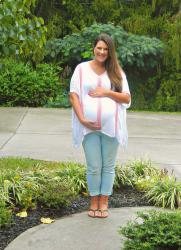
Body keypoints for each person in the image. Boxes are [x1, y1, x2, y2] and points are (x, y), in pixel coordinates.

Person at [69, 33, 131, 218]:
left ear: (110, 52)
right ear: (93, 48)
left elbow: (127, 98)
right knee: (94, 166)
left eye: (106, 49)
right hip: (88, 128)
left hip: (111, 128)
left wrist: (106, 92)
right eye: (99, 48)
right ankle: (94, 200)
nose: (102, 52)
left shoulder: (117, 72)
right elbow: (74, 95)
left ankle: (104, 201)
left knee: (108, 166)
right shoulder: (81, 69)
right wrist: (81, 119)